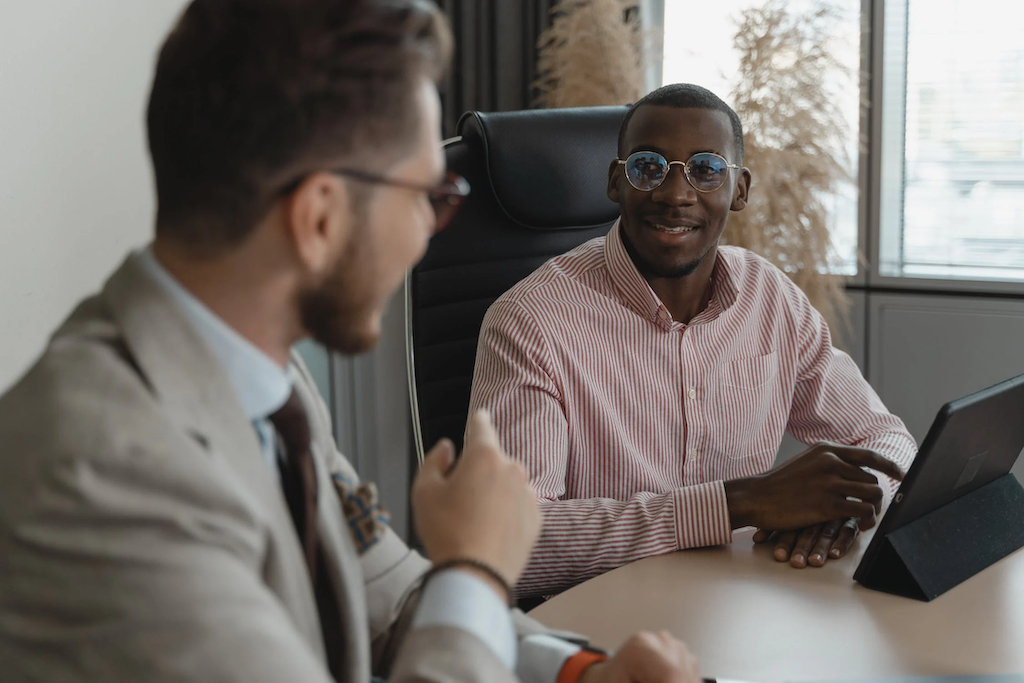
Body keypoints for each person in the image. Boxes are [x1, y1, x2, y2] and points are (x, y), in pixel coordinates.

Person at [0, 3, 702, 682]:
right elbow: (448, 601)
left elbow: (388, 599)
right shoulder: (98, 475)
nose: (429, 231)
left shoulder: (268, 376)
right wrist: (479, 568)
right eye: (427, 195)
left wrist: (578, 670)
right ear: (321, 218)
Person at [469, 83, 915, 599]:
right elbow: (508, 545)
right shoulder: (530, 321)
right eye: (647, 167)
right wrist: (735, 504)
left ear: (740, 189)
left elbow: (887, 440)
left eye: (705, 170)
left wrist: (844, 508)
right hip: (603, 623)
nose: (675, 195)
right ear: (616, 182)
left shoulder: (770, 297)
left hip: (740, 603)